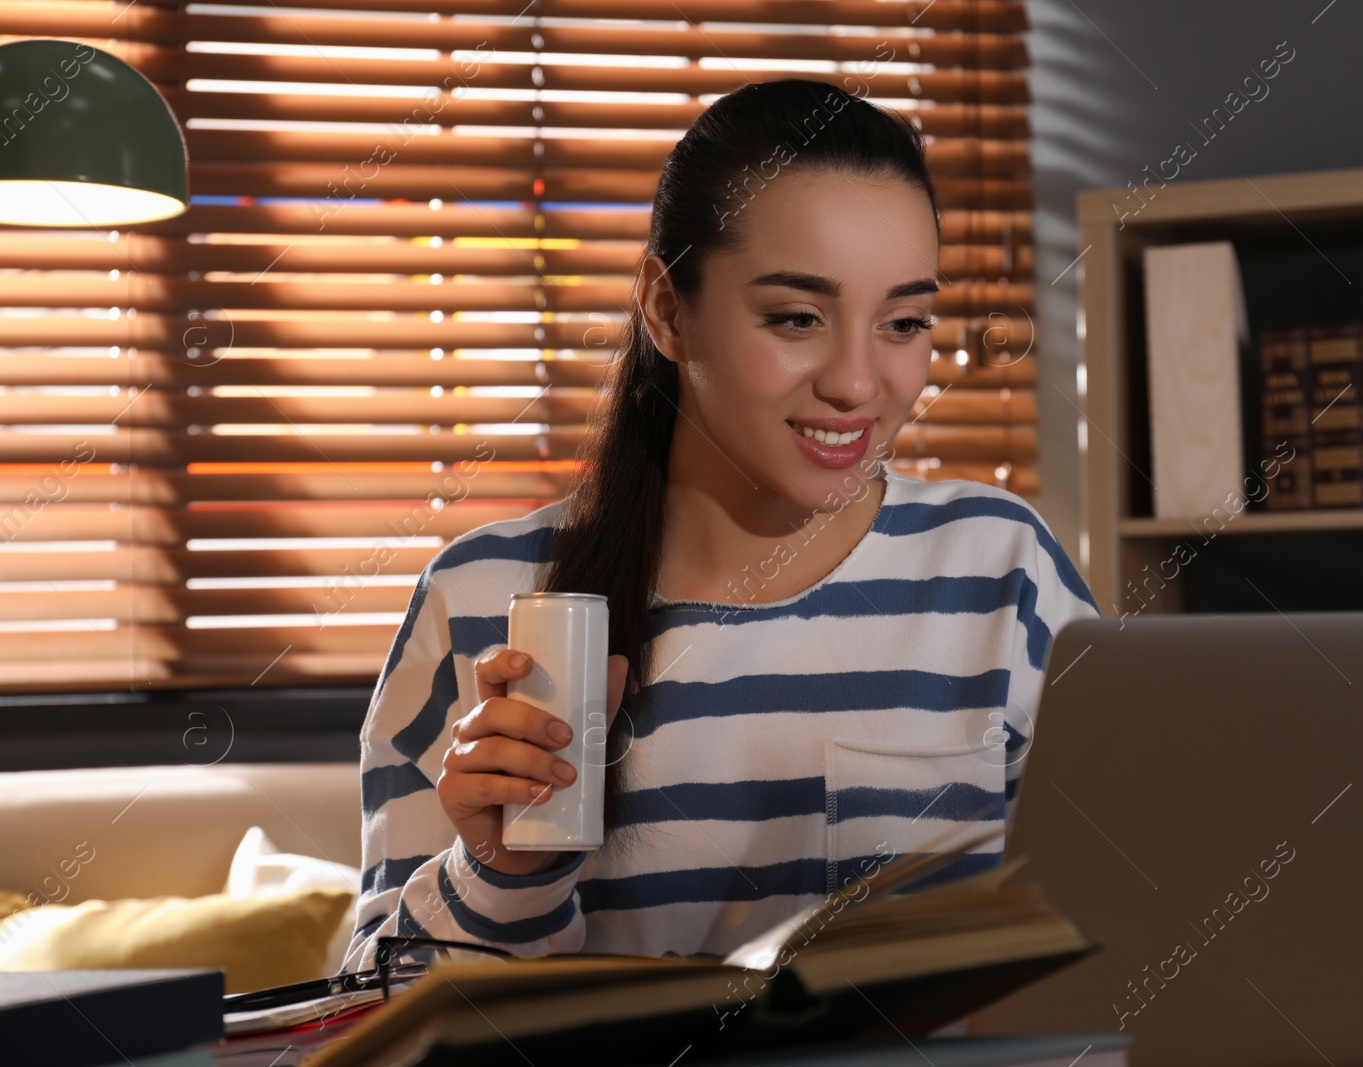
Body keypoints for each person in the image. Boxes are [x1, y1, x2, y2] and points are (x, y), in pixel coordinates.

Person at [343, 77, 1099, 974]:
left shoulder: (1002, 568)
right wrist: (502, 871)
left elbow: (1132, 911)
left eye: (904, 322)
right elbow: (371, 1012)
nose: (859, 383)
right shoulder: (481, 598)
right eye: (797, 318)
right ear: (666, 309)